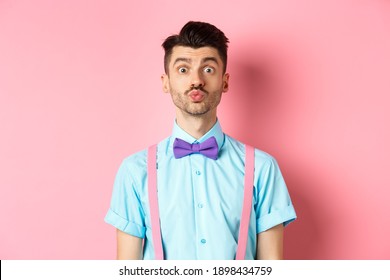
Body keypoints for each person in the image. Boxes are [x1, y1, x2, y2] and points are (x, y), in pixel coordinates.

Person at [104, 21, 297, 260]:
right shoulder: (134, 170)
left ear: (225, 81)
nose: (196, 80)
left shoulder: (262, 168)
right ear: (166, 82)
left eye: (208, 69)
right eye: (183, 70)